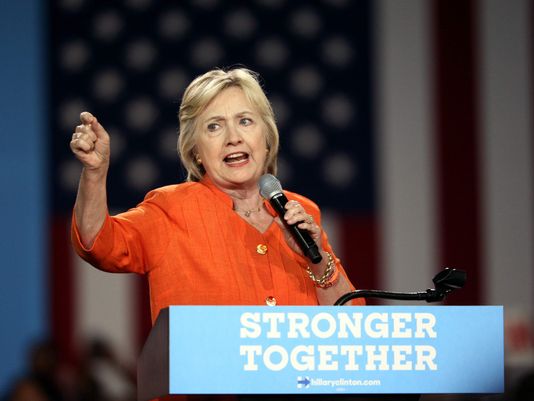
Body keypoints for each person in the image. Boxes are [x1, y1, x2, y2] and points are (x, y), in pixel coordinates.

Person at [70, 67, 364, 325]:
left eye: (245, 121)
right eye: (214, 126)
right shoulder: (170, 209)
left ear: (267, 137)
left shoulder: (300, 212)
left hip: (296, 388)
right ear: (196, 150)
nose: (233, 137)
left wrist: (316, 260)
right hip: (206, 390)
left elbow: (353, 326)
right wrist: (95, 174)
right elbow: (98, 244)